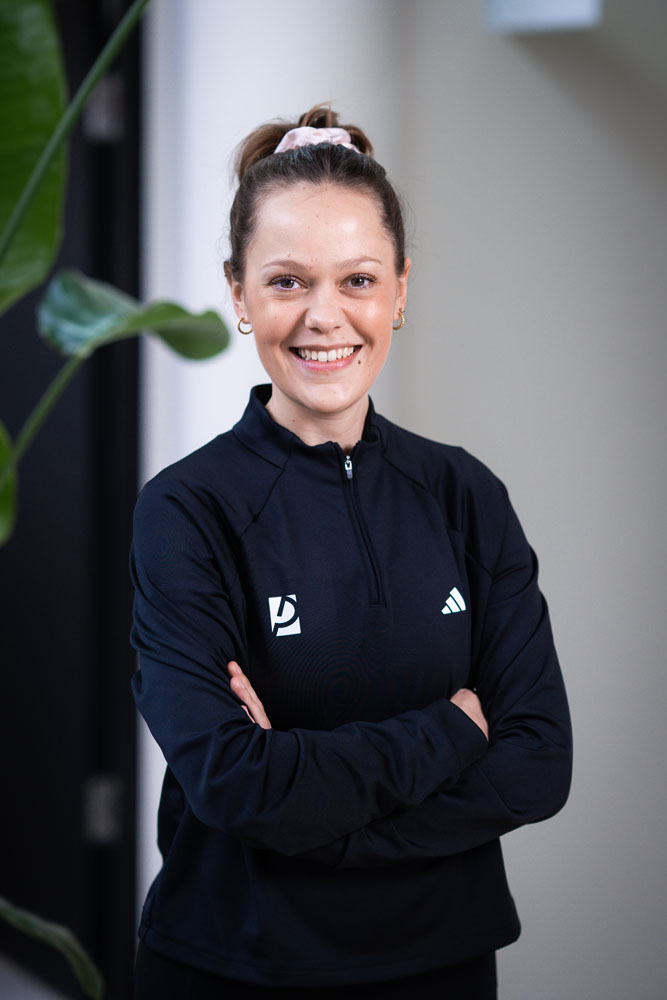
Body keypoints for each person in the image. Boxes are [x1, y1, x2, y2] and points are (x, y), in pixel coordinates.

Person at [130, 104, 572, 999]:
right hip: (232, 965)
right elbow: (230, 782)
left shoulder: (464, 494)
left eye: (358, 280)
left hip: (442, 967)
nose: (323, 317)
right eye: (286, 281)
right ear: (238, 294)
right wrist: (453, 731)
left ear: (399, 291)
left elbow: (535, 764)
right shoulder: (185, 509)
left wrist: (312, 823)